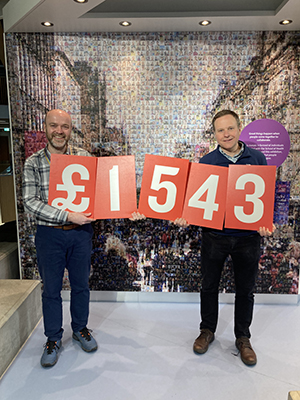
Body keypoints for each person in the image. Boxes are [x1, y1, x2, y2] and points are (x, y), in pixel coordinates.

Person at [176, 109, 275, 366]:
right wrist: (186, 216)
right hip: (214, 236)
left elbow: (266, 197)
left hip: (248, 238)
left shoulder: (258, 158)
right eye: (221, 130)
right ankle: (207, 331)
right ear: (215, 134)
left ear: (239, 128)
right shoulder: (206, 162)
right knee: (209, 286)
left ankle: (243, 337)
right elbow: (195, 201)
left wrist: (266, 222)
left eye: (230, 128)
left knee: (246, 290)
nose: (226, 134)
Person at [23, 109, 97, 368]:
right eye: (54, 125)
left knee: (81, 286)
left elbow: (101, 193)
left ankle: (80, 329)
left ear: (70, 129)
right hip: (49, 236)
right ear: (45, 127)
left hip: (80, 235)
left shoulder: (85, 158)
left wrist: (125, 208)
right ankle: (53, 338)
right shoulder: (33, 162)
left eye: (64, 126)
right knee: (51, 291)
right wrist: (67, 215)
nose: (59, 131)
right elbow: (30, 202)